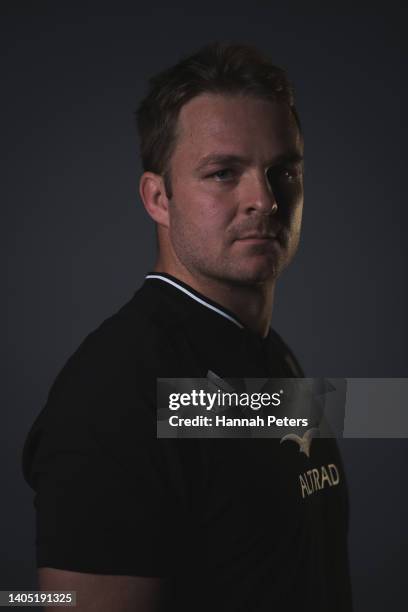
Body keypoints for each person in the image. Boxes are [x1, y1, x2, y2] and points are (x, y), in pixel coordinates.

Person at [22, 42, 353, 611]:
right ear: (158, 198)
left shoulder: (267, 354)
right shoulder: (116, 393)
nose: (265, 200)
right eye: (223, 173)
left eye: (284, 171)